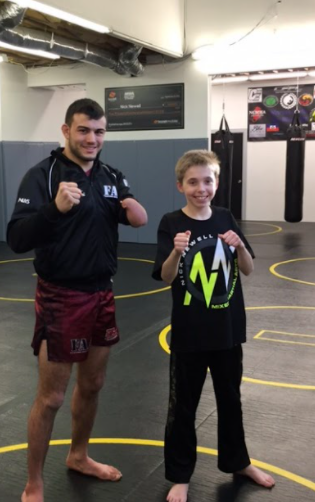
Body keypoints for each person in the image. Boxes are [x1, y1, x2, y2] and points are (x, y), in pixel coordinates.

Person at [7, 98, 147, 502]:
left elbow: (130, 213)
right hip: (60, 295)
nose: (92, 138)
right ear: (66, 130)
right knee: (51, 396)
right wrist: (54, 209)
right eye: (84, 130)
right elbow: (16, 238)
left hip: (102, 291)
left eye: (99, 131)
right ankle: (34, 482)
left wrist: (136, 212)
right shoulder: (43, 175)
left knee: (94, 384)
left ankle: (79, 456)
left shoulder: (110, 175)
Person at [152, 150, 275, 502]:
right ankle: (180, 475)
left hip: (226, 330)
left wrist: (240, 249)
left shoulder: (225, 217)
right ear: (180, 186)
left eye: (208, 181)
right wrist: (176, 252)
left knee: (230, 401)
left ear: (217, 184)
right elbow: (164, 277)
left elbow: (249, 270)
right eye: (193, 182)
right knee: (183, 407)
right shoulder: (171, 222)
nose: (201, 188)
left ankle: (239, 462)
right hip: (190, 333)